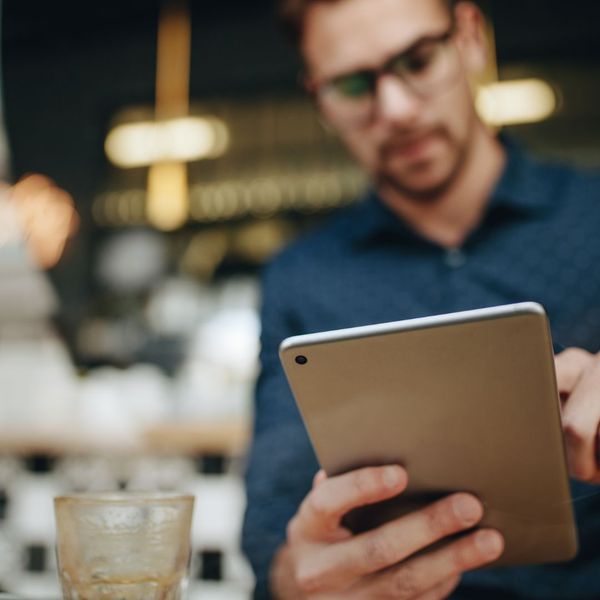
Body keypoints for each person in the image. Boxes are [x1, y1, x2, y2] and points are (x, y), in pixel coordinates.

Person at [242, 0, 600, 597]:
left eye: (417, 60)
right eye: (353, 85)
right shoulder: (301, 278)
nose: (397, 110)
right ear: (319, 100)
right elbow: (271, 539)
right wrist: (295, 578)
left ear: (470, 38)